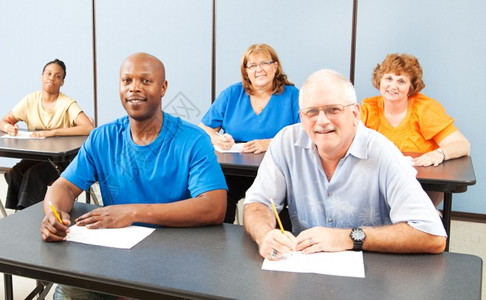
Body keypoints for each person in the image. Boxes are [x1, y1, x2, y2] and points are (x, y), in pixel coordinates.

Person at [41, 52, 228, 299]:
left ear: (163, 88)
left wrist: (132, 212)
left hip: (177, 259)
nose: (134, 88)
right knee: (68, 292)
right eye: (127, 81)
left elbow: (214, 207)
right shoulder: (102, 137)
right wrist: (54, 215)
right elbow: (63, 186)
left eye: (145, 81)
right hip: (115, 257)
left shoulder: (193, 140)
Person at [243, 69, 446, 262]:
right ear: (302, 117)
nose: (321, 121)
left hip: (374, 273)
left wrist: (348, 238)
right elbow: (257, 203)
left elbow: (432, 235)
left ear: (355, 114)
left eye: (333, 110)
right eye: (311, 112)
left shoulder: (382, 152)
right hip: (305, 267)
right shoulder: (286, 142)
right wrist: (265, 235)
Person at [198, 43, 300, 223]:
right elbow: (203, 129)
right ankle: (219, 244)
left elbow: (304, 133)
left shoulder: (293, 95)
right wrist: (218, 139)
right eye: (252, 65)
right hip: (235, 171)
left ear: (275, 67)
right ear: (246, 71)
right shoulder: (232, 93)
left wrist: (269, 143)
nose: (258, 69)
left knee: (277, 213)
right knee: (219, 198)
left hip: (277, 171)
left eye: (264, 63)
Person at [360, 53, 470, 206]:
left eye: (401, 81)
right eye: (389, 78)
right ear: (379, 80)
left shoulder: (425, 108)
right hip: (382, 181)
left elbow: (462, 144)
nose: (393, 86)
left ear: (411, 87)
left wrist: (439, 153)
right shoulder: (368, 108)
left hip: (422, 186)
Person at [0, 59, 94, 210]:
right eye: (48, 74)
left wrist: (53, 132)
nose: (52, 78)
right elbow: (3, 121)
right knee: (15, 172)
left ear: (62, 82)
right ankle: (18, 214)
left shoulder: (66, 103)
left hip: (62, 161)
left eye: (57, 76)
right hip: (36, 157)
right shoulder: (30, 100)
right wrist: (8, 128)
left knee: (32, 175)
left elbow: (89, 127)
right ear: (42, 76)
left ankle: (30, 215)